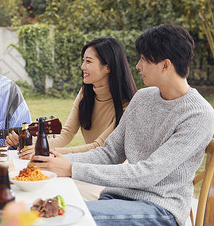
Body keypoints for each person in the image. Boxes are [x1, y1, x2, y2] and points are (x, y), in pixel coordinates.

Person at [34, 24, 214, 226]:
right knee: (45, 208)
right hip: (116, 199)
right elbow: (110, 153)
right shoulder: (143, 98)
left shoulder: (199, 114)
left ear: (166, 65)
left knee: (61, 220)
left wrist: (72, 169)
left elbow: (149, 173)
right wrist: (57, 160)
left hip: (158, 210)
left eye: (144, 60)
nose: (137, 66)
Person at [8, 37, 137, 160]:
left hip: (109, 170)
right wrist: (37, 147)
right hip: (87, 163)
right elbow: (66, 134)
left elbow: (98, 147)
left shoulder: (127, 106)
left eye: (88, 61)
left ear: (107, 67)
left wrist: (44, 150)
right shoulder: (85, 93)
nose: (82, 67)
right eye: (83, 61)